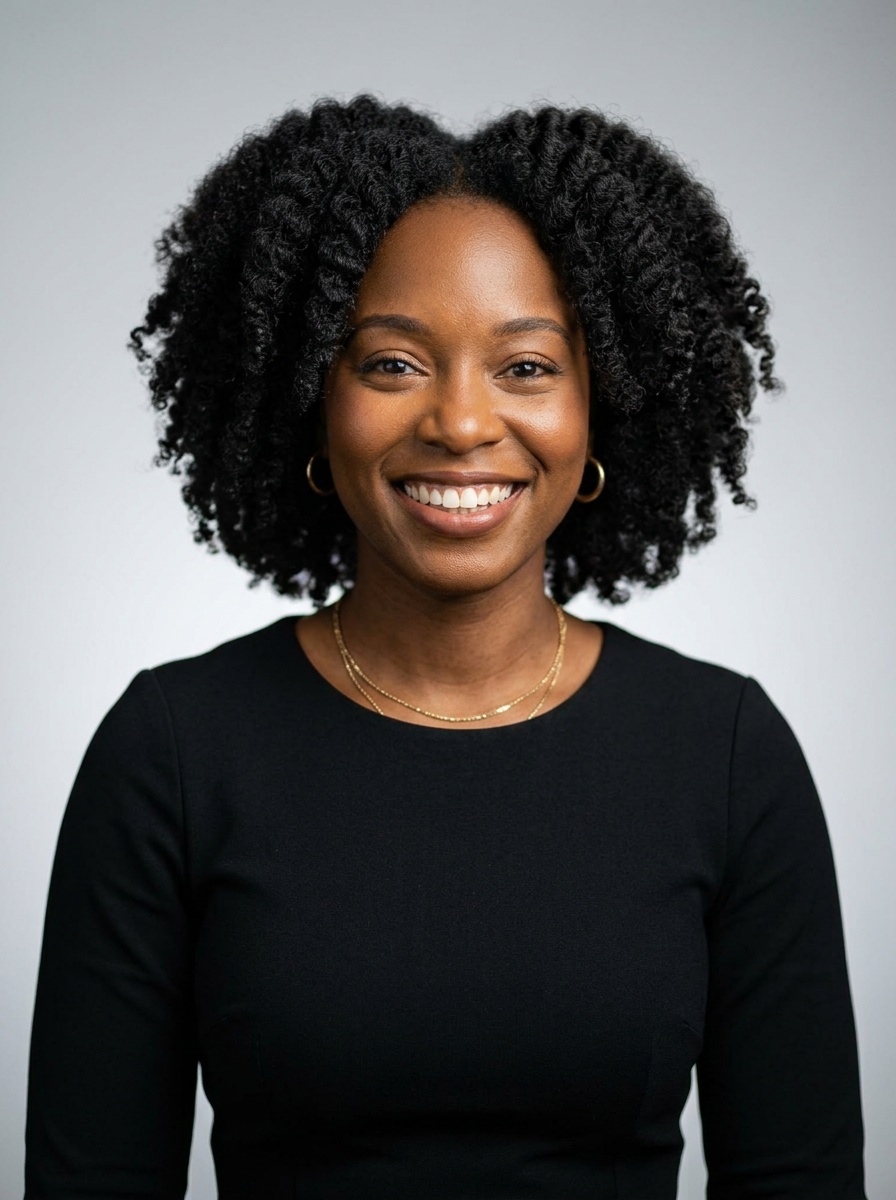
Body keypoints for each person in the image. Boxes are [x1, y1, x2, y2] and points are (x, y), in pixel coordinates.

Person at [25, 95, 867, 1199]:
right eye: (391, 365)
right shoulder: (173, 751)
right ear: (310, 402)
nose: (462, 424)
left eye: (525, 366)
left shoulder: (722, 754)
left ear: (599, 404)